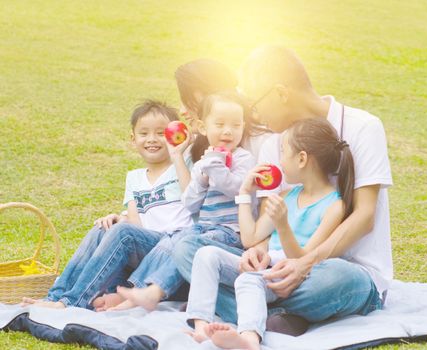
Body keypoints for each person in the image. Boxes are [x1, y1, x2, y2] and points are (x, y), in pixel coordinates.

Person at [172, 45, 393, 336]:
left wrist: (305, 263)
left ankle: (248, 309)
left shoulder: (363, 127)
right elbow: (267, 221)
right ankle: (278, 315)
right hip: (278, 268)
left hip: (337, 270)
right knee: (188, 250)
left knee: (338, 278)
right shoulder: (272, 145)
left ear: (280, 93)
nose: (254, 114)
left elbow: (364, 216)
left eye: (255, 104)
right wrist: (259, 253)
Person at [185, 118, 355, 349]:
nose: (280, 161)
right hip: (265, 269)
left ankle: (249, 339)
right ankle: (201, 326)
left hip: (289, 276)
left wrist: (283, 226)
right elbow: (250, 238)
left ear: (302, 159)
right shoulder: (287, 196)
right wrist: (245, 192)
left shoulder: (335, 206)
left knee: (248, 281)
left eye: (284, 152)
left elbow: (302, 260)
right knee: (206, 255)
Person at [22, 100, 194, 309]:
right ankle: (54, 296)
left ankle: (71, 301)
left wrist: (181, 151)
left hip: (171, 249)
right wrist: (120, 219)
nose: (152, 140)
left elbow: (192, 196)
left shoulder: (183, 165)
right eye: (144, 133)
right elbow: (136, 224)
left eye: (160, 133)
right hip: (145, 246)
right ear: (133, 139)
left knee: (122, 232)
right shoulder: (134, 178)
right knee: (102, 229)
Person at [108, 91, 257, 311]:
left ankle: (153, 292)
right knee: (174, 239)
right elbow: (190, 203)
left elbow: (236, 189)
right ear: (204, 128)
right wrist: (202, 179)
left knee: (185, 244)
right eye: (220, 124)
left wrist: (214, 166)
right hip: (204, 227)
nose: (228, 131)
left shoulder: (244, 158)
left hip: (230, 232)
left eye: (236, 125)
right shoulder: (204, 162)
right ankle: (139, 291)